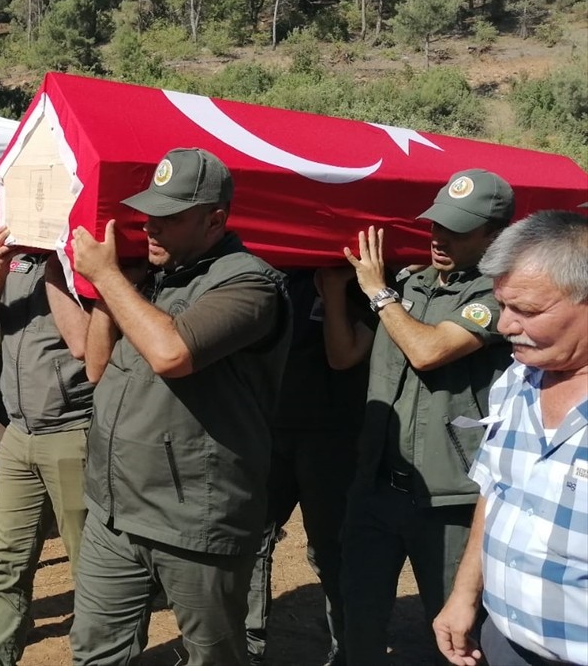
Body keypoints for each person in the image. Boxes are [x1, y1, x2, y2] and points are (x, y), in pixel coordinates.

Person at [67, 148, 290, 666]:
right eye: (149, 215)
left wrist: (110, 279)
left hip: (194, 519)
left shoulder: (249, 283)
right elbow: (97, 369)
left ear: (215, 219)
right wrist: (110, 289)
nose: (151, 229)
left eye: (170, 218)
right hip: (114, 508)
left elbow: (172, 353)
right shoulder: (150, 280)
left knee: (212, 656)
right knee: (95, 653)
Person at [339, 170, 515, 666]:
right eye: (437, 224)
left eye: (458, 230)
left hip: (449, 499)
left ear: (495, 235)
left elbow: (428, 349)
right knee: (361, 616)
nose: (439, 237)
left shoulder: (496, 297)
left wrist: (376, 292)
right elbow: (344, 352)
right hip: (376, 487)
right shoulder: (410, 282)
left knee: (455, 633)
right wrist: (339, 288)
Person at [432, 210, 588, 666]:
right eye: (502, 305)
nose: (504, 325)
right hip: (505, 643)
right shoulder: (518, 379)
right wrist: (464, 595)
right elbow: (497, 491)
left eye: (527, 310)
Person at [0, 225, 94, 666]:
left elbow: (81, 344)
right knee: (6, 560)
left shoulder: (79, 260)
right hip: (18, 435)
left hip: (72, 432)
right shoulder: (14, 262)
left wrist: (57, 260)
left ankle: (99, 657)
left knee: (89, 565)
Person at [244, 268, 372, 666]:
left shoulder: (368, 287)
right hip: (270, 431)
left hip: (333, 439)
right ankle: (247, 647)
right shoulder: (273, 278)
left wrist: (334, 290)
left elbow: (342, 356)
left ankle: (347, 649)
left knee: (332, 551)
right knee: (250, 543)